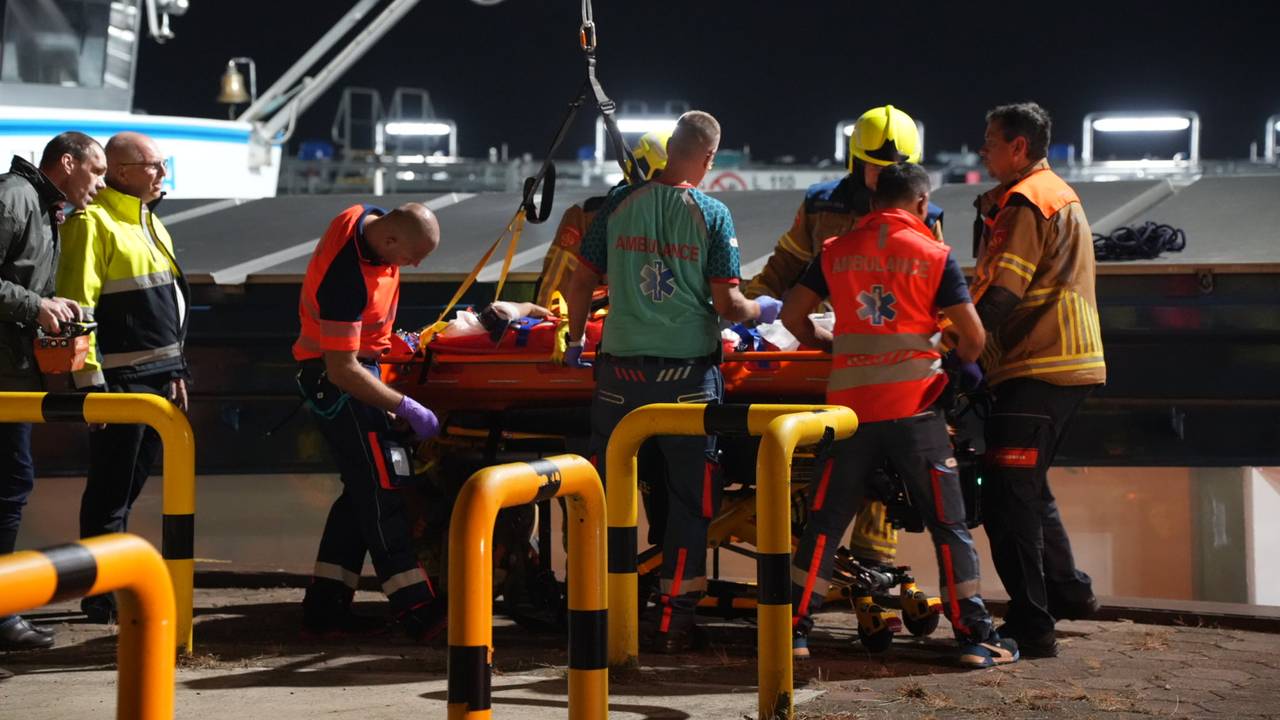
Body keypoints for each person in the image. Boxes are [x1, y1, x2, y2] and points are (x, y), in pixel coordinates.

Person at [780, 162, 1018, 668]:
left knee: (824, 523)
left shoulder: (836, 252)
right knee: (947, 525)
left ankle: (793, 631)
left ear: (873, 203)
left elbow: (791, 316)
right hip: (915, 411)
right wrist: (943, 353)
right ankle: (975, 637)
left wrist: (831, 343)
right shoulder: (933, 255)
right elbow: (974, 341)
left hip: (848, 413)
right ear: (918, 204)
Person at [563, 110, 781, 652]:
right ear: (707, 157)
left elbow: (577, 282)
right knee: (690, 501)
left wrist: (572, 342)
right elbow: (728, 305)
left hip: (618, 375)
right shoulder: (711, 214)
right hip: (686, 379)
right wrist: (764, 309)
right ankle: (672, 621)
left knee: (605, 493)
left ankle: (599, 614)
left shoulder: (617, 204)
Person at [747, 105, 944, 572]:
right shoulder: (822, 204)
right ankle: (807, 575)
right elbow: (783, 268)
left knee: (886, 474)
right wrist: (751, 313)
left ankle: (871, 572)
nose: (883, 177)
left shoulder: (926, 215)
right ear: (856, 162)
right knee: (824, 474)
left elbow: (934, 295)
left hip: (887, 366)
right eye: (875, 167)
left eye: (894, 169)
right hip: (823, 356)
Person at [972, 102, 1104, 658]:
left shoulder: (1027, 201)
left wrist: (959, 348)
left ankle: (1032, 625)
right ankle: (1068, 593)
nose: (984, 151)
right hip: (1060, 363)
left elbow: (1004, 292)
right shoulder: (1051, 192)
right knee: (1032, 489)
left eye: (991, 142)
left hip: (1039, 362)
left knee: (1009, 498)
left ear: (1018, 147)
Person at [292, 200, 446, 641]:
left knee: (360, 491)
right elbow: (343, 369)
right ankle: (416, 608)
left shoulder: (365, 220)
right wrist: (406, 406)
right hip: (341, 383)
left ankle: (325, 605)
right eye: (412, 255)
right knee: (383, 488)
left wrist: (384, 342)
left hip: (355, 367)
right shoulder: (345, 278)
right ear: (390, 239)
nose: (413, 265)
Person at [57, 131, 189, 624]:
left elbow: (164, 310)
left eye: (162, 164)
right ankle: (99, 593)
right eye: (152, 165)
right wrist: (89, 386)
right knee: (111, 491)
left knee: (128, 488)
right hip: (120, 386)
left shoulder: (149, 222)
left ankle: (105, 585)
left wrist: (176, 370)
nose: (161, 174)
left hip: (157, 380)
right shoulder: (92, 223)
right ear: (119, 171)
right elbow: (78, 305)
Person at [0, 131, 103, 649]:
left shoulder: (42, 207)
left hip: (11, 377)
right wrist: (34, 305)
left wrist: (50, 302)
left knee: (11, 485)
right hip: (3, 380)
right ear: (68, 163)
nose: (101, 185)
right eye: (98, 171)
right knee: (10, 485)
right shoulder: (15, 198)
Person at [533, 129, 671, 308]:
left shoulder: (692, 222)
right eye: (667, 175)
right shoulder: (585, 217)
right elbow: (554, 298)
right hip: (595, 330)